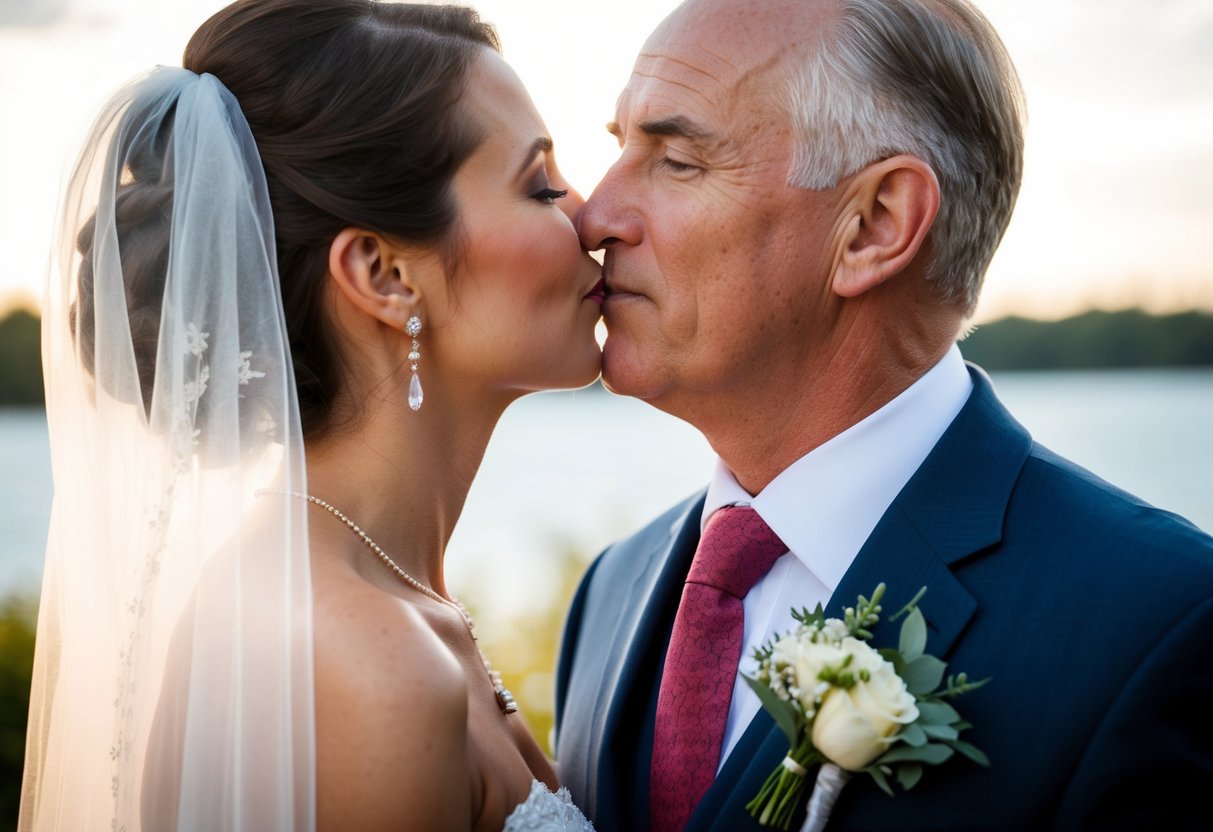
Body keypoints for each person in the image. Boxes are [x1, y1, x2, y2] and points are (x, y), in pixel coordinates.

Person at [553, 0, 1213, 829]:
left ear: (872, 226)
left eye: (677, 159)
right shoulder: (611, 591)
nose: (593, 217)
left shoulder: (1159, 626)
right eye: (620, 149)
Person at [21, 1, 603, 829]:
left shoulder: (359, 595)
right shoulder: (372, 673)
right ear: (382, 272)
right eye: (541, 185)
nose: (595, 217)